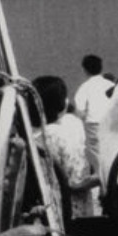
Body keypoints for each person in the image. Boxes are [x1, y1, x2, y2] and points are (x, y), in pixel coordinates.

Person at [35, 73, 99, 219]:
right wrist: (101, 177)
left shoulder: (33, 135)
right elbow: (75, 181)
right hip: (72, 212)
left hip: (45, 211)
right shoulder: (66, 131)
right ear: (61, 103)